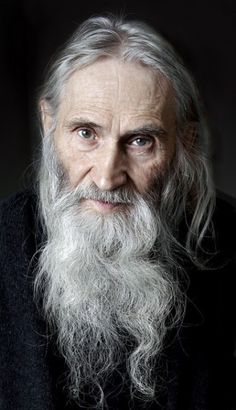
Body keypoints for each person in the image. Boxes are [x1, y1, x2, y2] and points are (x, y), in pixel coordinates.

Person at [0, 15, 235, 410]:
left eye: (141, 141)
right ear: (49, 126)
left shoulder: (229, 242)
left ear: (185, 143)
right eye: (86, 133)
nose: (108, 177)